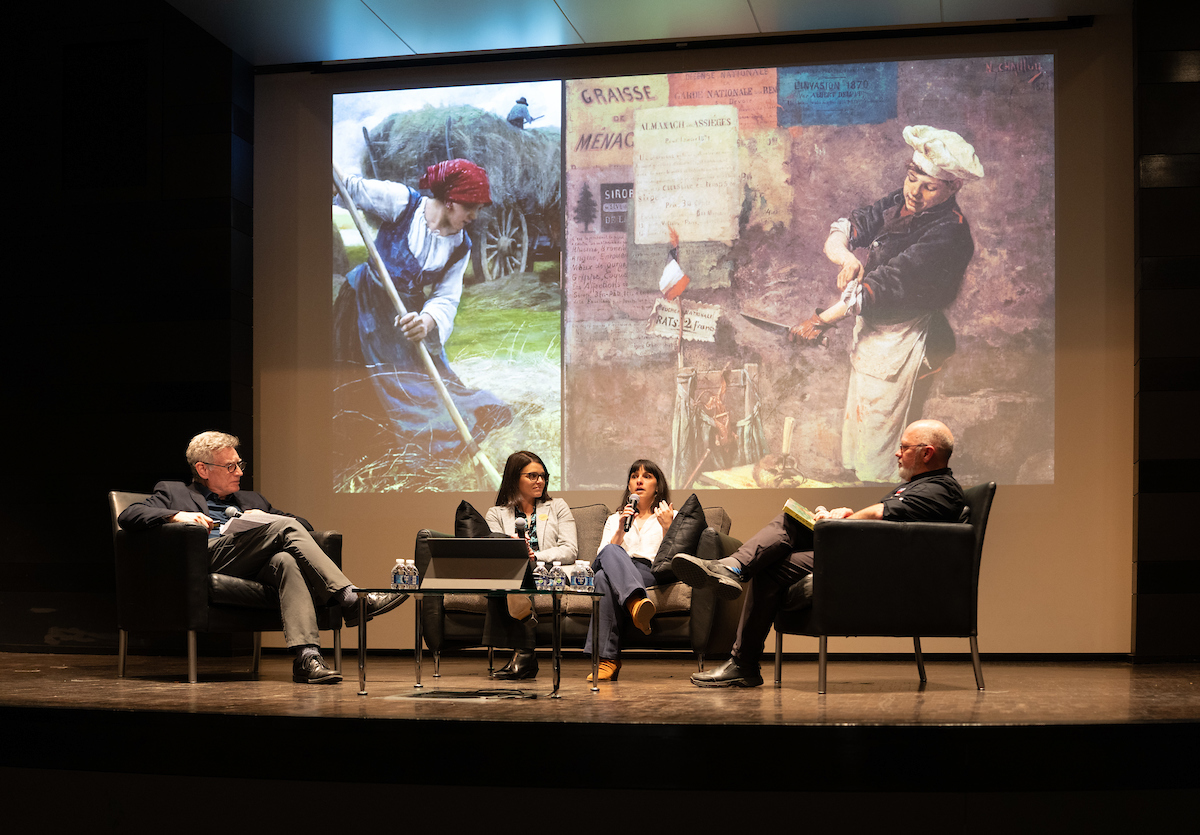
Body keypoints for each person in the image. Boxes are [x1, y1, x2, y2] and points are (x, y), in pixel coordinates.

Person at [673, 419, 965, 687]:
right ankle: (735, 588)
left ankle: (735, 584)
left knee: (786, 533)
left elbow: (879, 515)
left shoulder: (940, 489)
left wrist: (838, 521)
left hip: (875, 569)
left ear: (927, 453)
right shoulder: (919, 487)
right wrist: (841, 515)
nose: (897, 453)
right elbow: (889, 520)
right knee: (781, 541)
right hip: (867, 557)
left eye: (904, 447)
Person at [117, 431, 405, 684]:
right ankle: (351, 599)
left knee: (286, 561)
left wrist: (263, 518)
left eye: (240, 464)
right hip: (205, 559)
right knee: (282, 529)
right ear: (202, 469)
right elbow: (129, 515)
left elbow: (303, 526)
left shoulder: (252, 500)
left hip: (248, 562)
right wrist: (178, 515)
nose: (240, 472)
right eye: (231, 466)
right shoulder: (172, 491)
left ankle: (307, 658)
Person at [791, 126, 984, 483]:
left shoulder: (949, 233)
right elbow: (848, 227)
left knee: (888, 447)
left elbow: (883, 284)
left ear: (953, 188)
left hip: (909, 339)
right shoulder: (903, 202)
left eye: (929, 186)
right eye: (912, 178)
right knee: (864, 432)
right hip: (876, 335)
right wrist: (846, 257)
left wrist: (821, 320)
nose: (915, 192)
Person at [333, 159, 512, 468]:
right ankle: (361, 447)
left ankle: (406, 449)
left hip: (407, 321)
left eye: (479, 208)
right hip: (364, 308)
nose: (474, 216)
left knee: (424, 388)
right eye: (471, 207)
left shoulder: (460, 246)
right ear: (451, 201)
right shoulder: (402, 203)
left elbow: (446, 296)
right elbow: (350, 189)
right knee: (360, 381)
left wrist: (426, 321)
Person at [483, 451, 578, 680]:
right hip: (512, 572)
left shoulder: (557, 507)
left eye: (543, 476)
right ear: (515, 478)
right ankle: (524, 654)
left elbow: (570, 549)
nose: (540, 481)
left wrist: (534, 555)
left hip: (547, 573)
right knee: (502, 550)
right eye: (532, 476)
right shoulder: (496, 514)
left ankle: (523, 654)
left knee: (519, 563)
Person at [584, 460, 676, 682]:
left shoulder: (671, 516)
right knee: (606, 563)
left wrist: (668, 527)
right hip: (617, 565)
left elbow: (675, 558)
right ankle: (636, 604)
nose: (639, 481)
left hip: (649, 570)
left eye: (647, 476)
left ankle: (608, 661)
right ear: (629, 486)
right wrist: (619, 531)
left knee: (602, 579)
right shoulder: (615, 519)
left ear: (657, 485)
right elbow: (599, 558)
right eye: (634, 476)